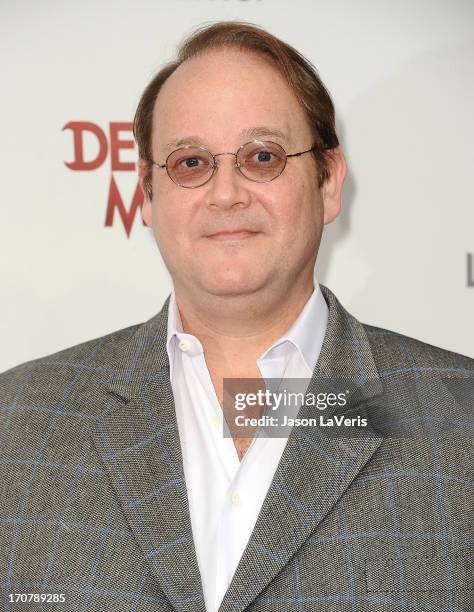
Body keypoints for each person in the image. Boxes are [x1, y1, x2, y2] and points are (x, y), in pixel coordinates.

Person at [0, 21, 472, 612]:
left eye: (262, 156)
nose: (226, 193)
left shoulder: (462, 419)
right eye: (191, 162)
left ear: (328, 182)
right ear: (146, 195)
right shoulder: (14, 425)